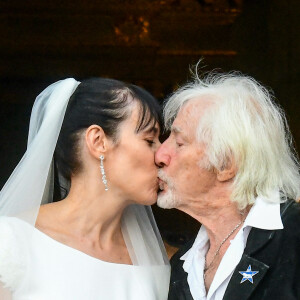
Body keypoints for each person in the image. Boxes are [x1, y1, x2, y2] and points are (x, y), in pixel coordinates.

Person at [0, 78, 170, 299]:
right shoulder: (12, 243)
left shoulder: (155, 262)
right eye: (149, 140)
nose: (162, 155)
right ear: (98, 141)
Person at [155, 72, 300, 300]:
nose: (160, 155)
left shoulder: (293, 236)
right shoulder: (183, 265)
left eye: (179, 142)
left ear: (225, 164)